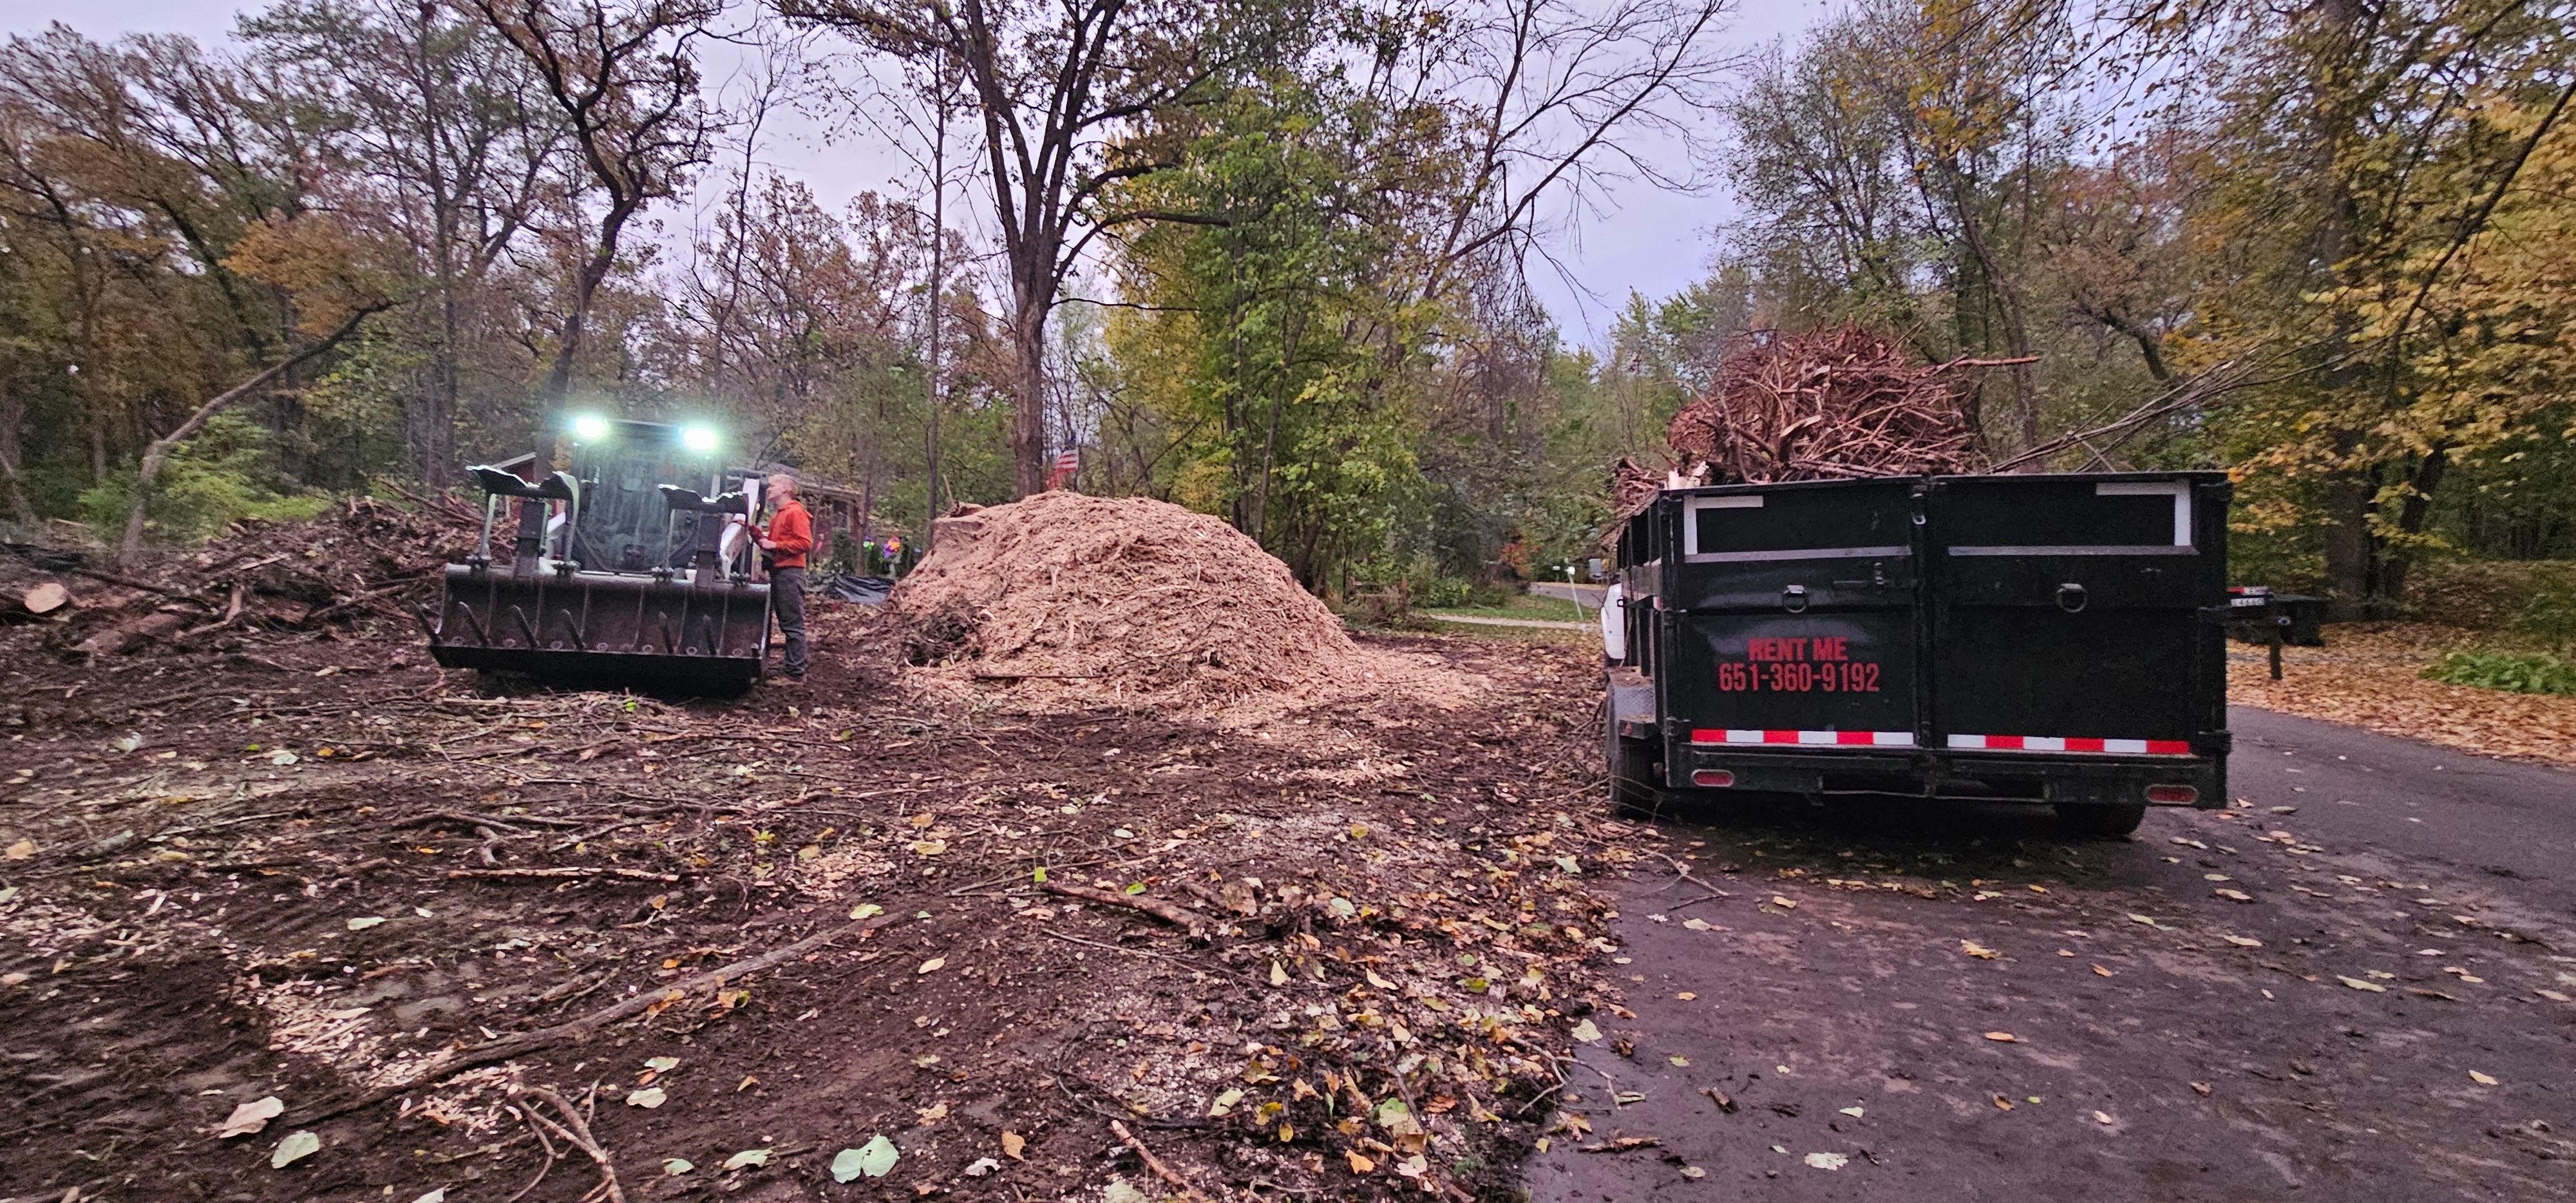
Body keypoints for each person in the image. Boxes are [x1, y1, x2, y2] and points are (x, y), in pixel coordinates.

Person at [755, 473, 813, 683]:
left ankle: (794, 674)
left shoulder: (794, 513)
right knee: (787, 623)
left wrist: (775, 545)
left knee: (792, 624)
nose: (768, 489)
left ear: (786, 489)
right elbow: (770, 545)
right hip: (781, 573)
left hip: (790, 574)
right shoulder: (778, 515)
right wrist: (756, 534)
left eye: (772, 485)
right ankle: (793, 669)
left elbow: (805, 544)